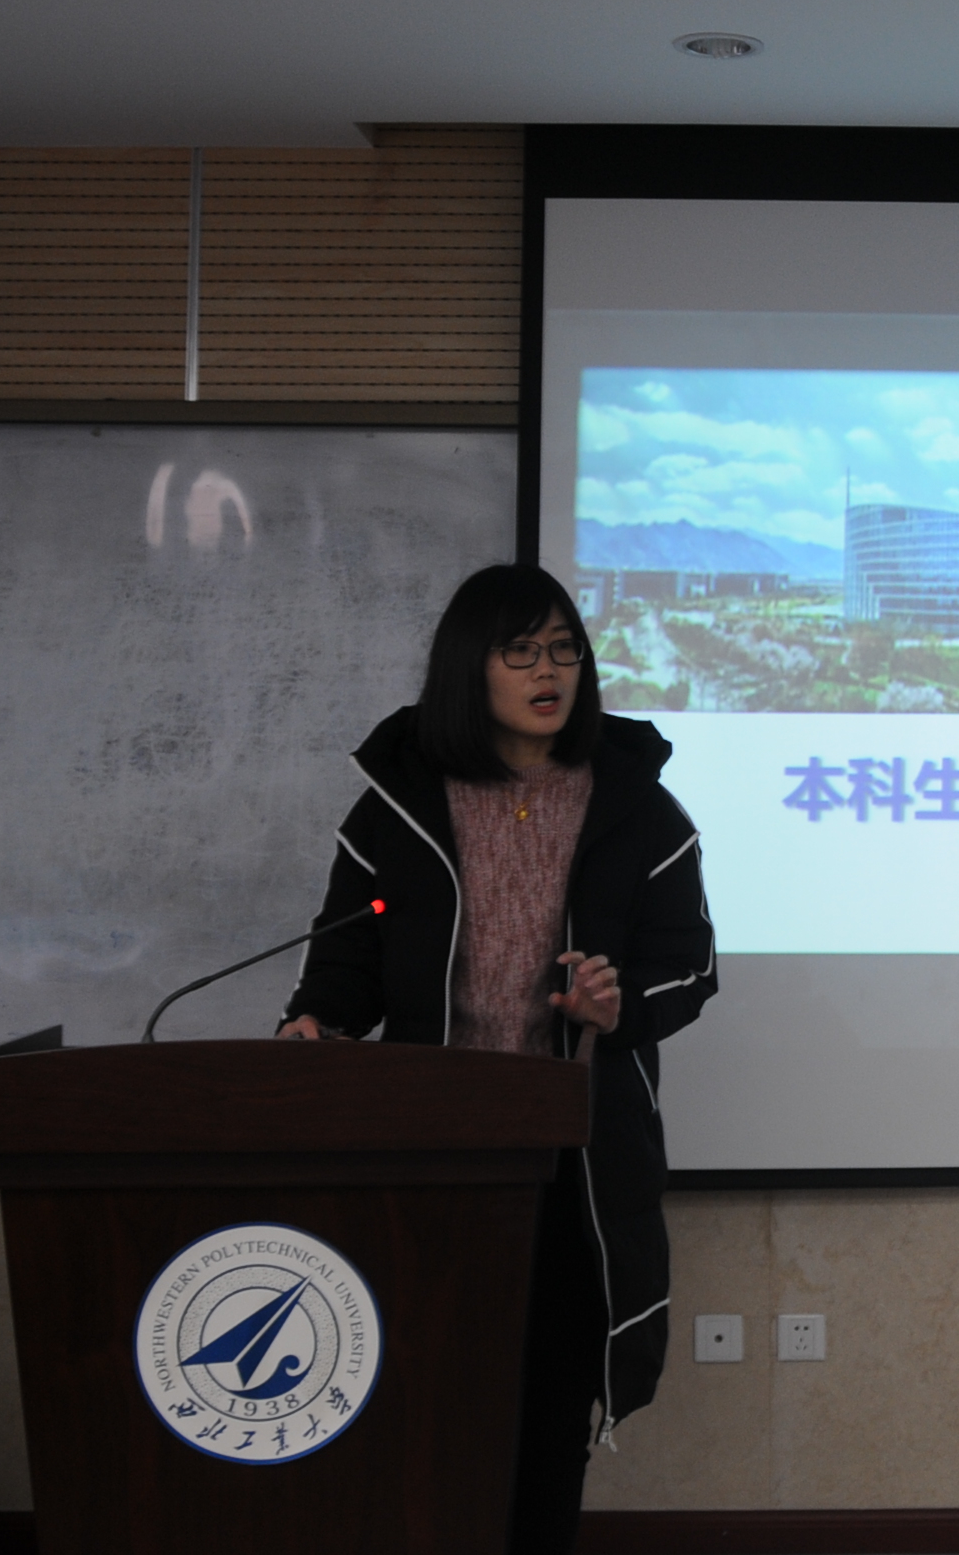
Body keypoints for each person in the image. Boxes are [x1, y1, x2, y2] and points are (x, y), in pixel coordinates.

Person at [278, 564, 716, 1554]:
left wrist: (615, 1006)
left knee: (549, 1409)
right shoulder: (399, 808)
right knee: (424, 1399)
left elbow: (690, 968)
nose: (547, 671)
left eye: (563, 649)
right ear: (467, 668)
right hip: (424, 1156)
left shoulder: (639, 809)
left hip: (572, 1163)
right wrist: (314, 1024)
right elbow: (342, 963)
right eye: (519, 652)